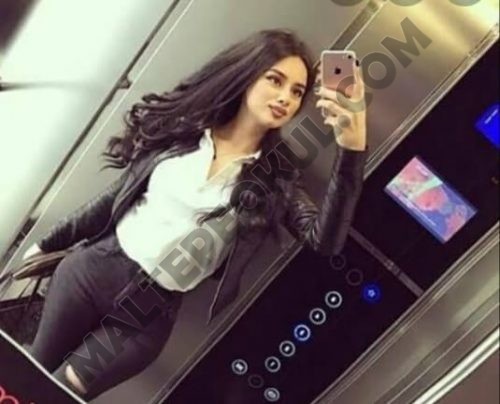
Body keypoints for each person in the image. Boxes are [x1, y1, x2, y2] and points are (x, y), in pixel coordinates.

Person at [22, 29, 368, 400]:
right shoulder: (186, 128)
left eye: (297, 91)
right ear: (249, 72)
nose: (285, 97)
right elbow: (114, 197)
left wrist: (352, 148)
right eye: (275, 80)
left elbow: (324, 241)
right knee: (23, 377)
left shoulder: (276, 177)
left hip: (143, 316)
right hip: (91, 273)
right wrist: (49, 242)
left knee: (55, 395)